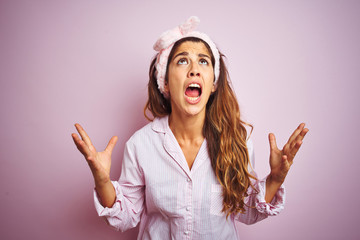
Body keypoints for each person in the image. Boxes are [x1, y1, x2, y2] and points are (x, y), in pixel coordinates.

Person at [72, 16, 309, 239]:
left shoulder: (238, 139)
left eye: (203, 61)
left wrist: (275, 179)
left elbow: (245, 211)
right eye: (182, 60)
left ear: (213, 83)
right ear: (164, 81)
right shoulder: (140, 144)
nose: (194, 69)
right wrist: (103, 182)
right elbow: (125, 218)